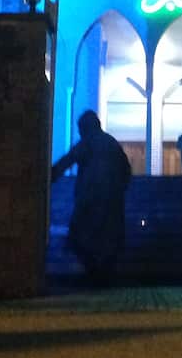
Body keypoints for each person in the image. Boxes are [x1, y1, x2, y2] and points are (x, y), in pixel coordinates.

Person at [50, 110, 132, 285]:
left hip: (90, 199)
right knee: (108, 239)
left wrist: (50, 175)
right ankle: (103, 273)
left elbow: (68, 160)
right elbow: (126, 169)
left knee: (80, 236)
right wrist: (120, 188)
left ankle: (95, 272)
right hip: (111, 200)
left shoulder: (87, 143)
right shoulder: (111, 143)